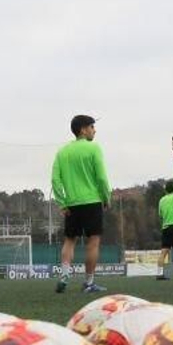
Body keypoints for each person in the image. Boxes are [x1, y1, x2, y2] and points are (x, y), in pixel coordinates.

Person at [51, 115, 112, 294]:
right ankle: (89, 282)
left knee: (69, 241)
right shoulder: (93, 148)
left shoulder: (62, 152)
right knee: (93, 242)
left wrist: (62, 202)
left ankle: (64, 276)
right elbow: (101, 177)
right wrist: (106, 197)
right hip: (92, 201)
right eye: (92, 127)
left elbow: (55, 180)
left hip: (71, 204)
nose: (94, 130)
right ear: (83, 129)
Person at [156, 179, 173, 281]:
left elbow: (160, 215)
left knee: (163, 252)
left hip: (166, 227)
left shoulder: (162, 200)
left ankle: (159, 274)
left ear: (166, 190)